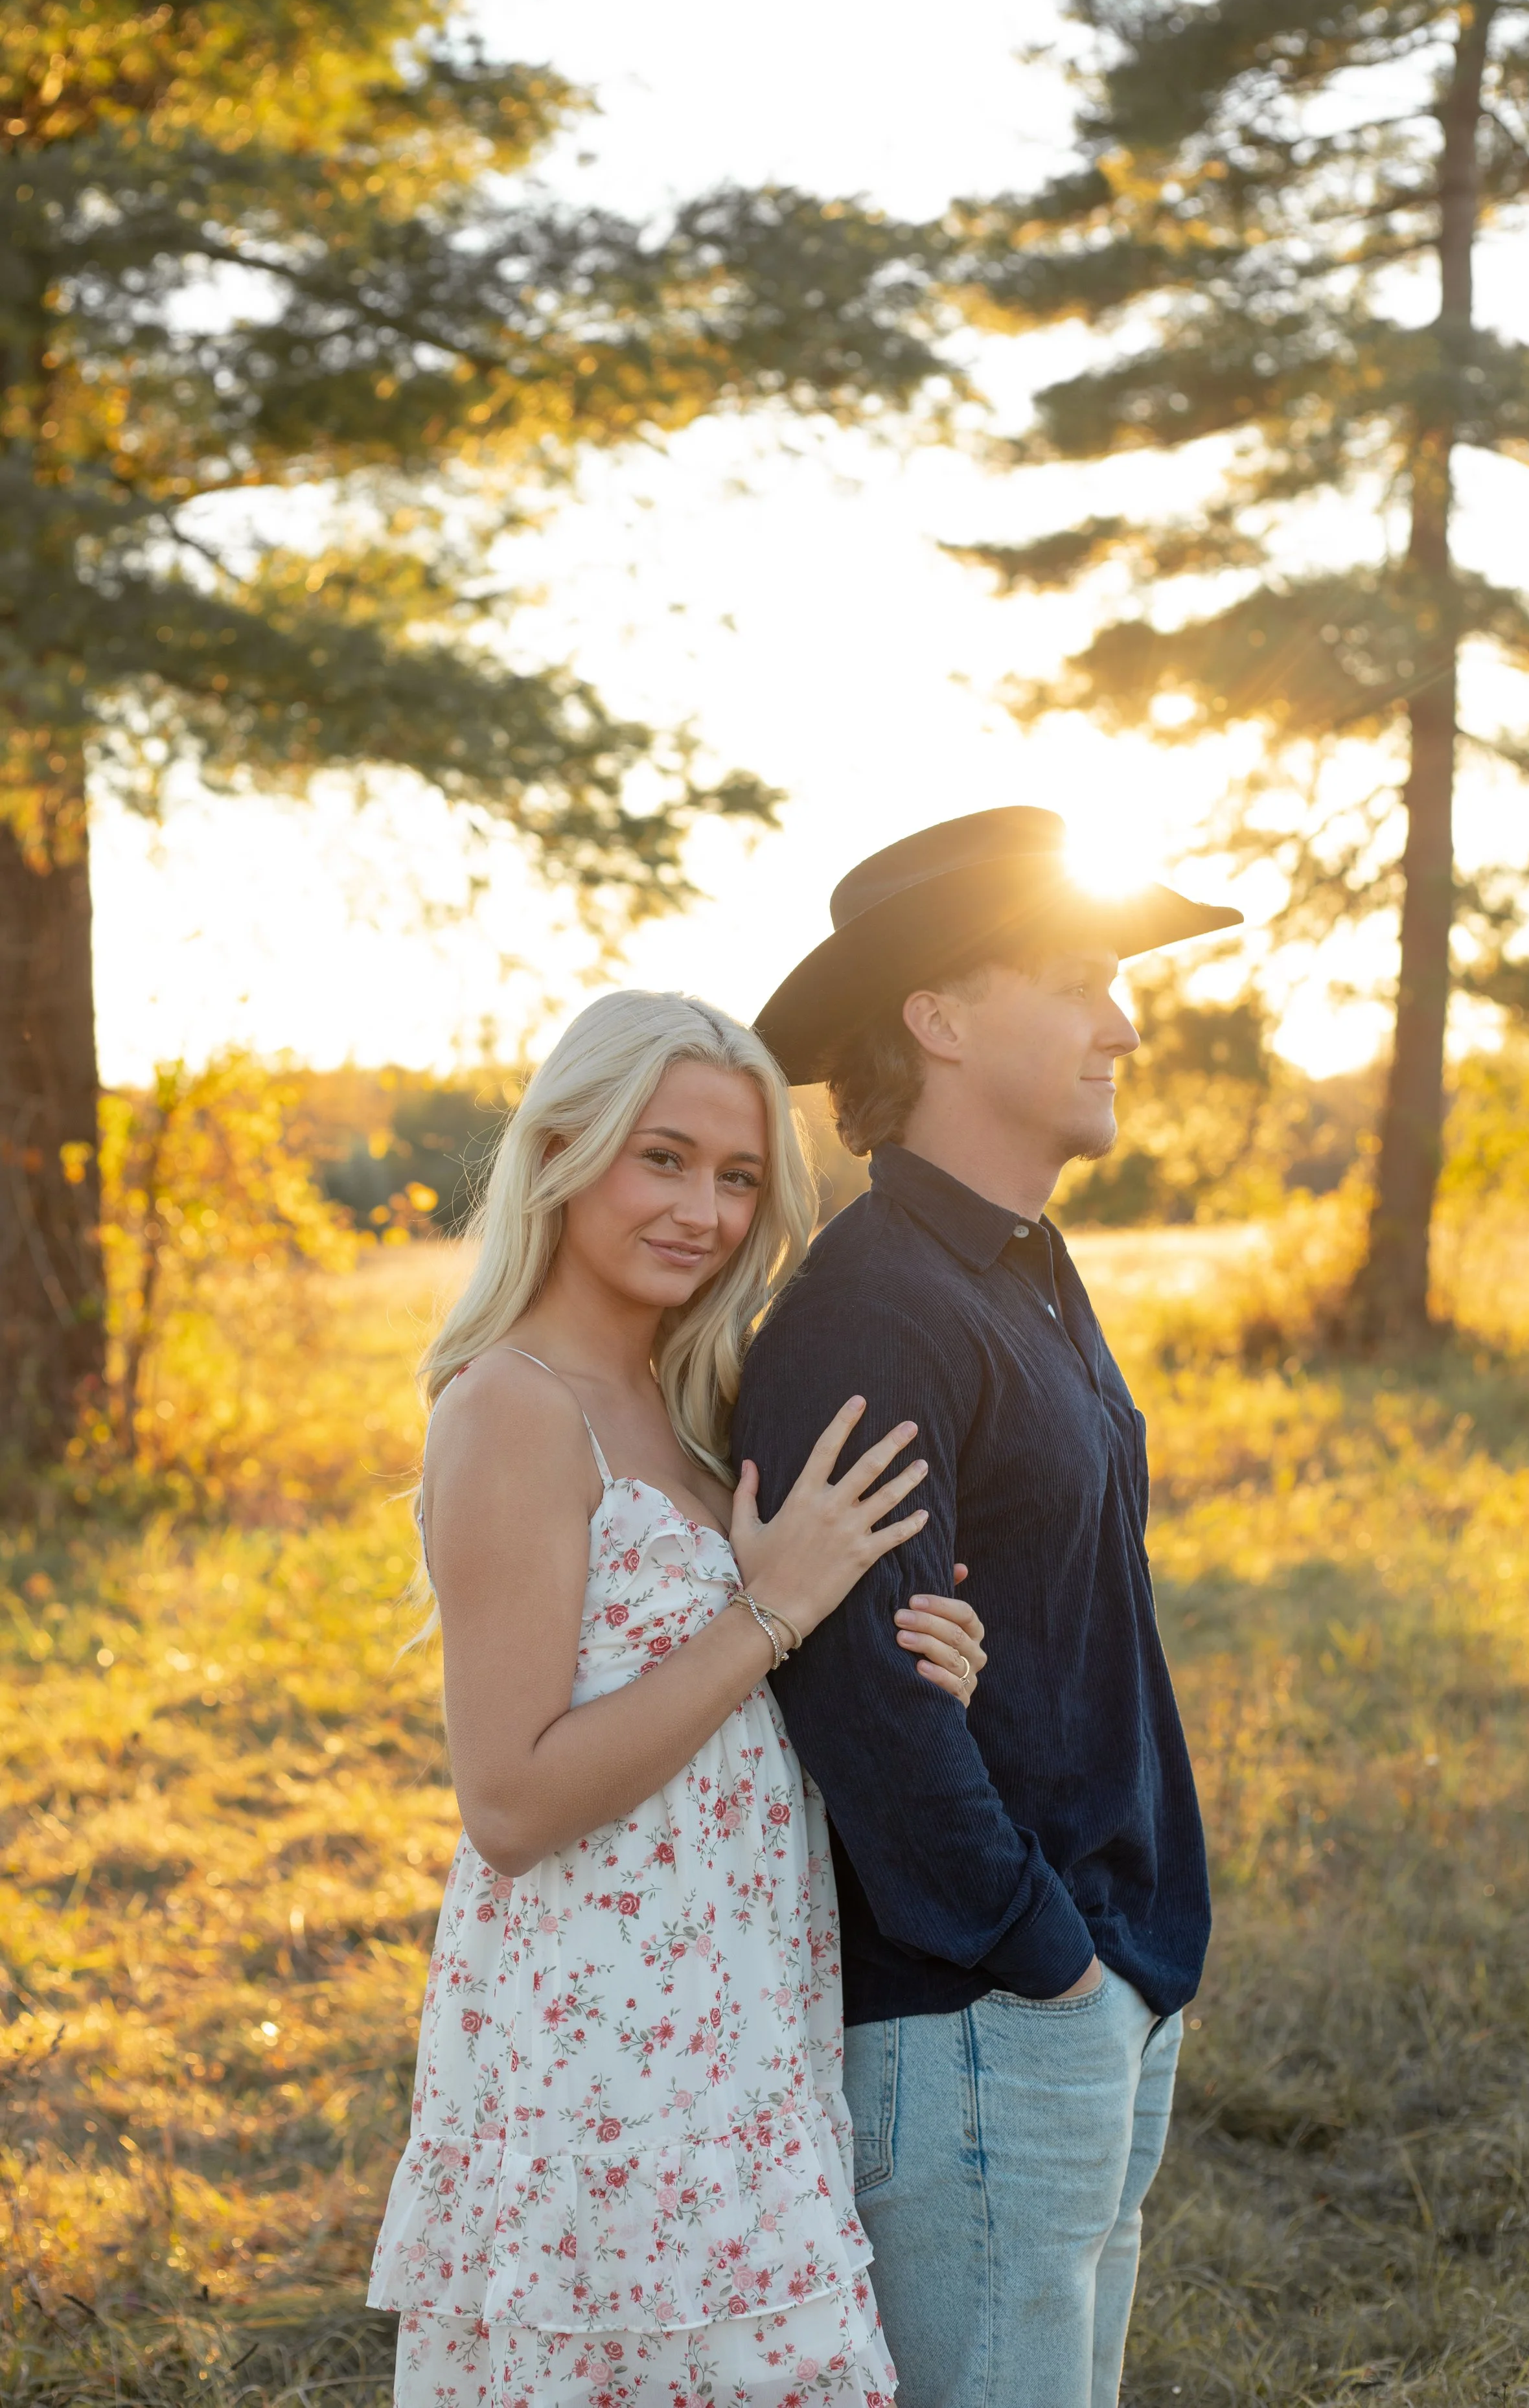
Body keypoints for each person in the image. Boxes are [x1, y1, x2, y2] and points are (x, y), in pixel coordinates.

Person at [366, 988, 989, 2408]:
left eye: (737, 1176)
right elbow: (510, 1801)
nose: (702, 1210)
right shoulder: (512, 1406)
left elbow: (739, 1713)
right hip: (605, 2045)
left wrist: (914, 1649)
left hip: (747, 2012)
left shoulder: (693, 1401)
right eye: (662, 1158)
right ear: (563, 1150)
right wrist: (768, 1613)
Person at [735, 807, 1242, 2408]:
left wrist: (1119, 1978)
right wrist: (1045, 1967)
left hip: (1100, 1986)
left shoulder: (1022, 1263)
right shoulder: (870, 1309)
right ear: (936, 1018)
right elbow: (866, 1707)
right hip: (986, 2017)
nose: (1123, 1019)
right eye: (1079, 975)